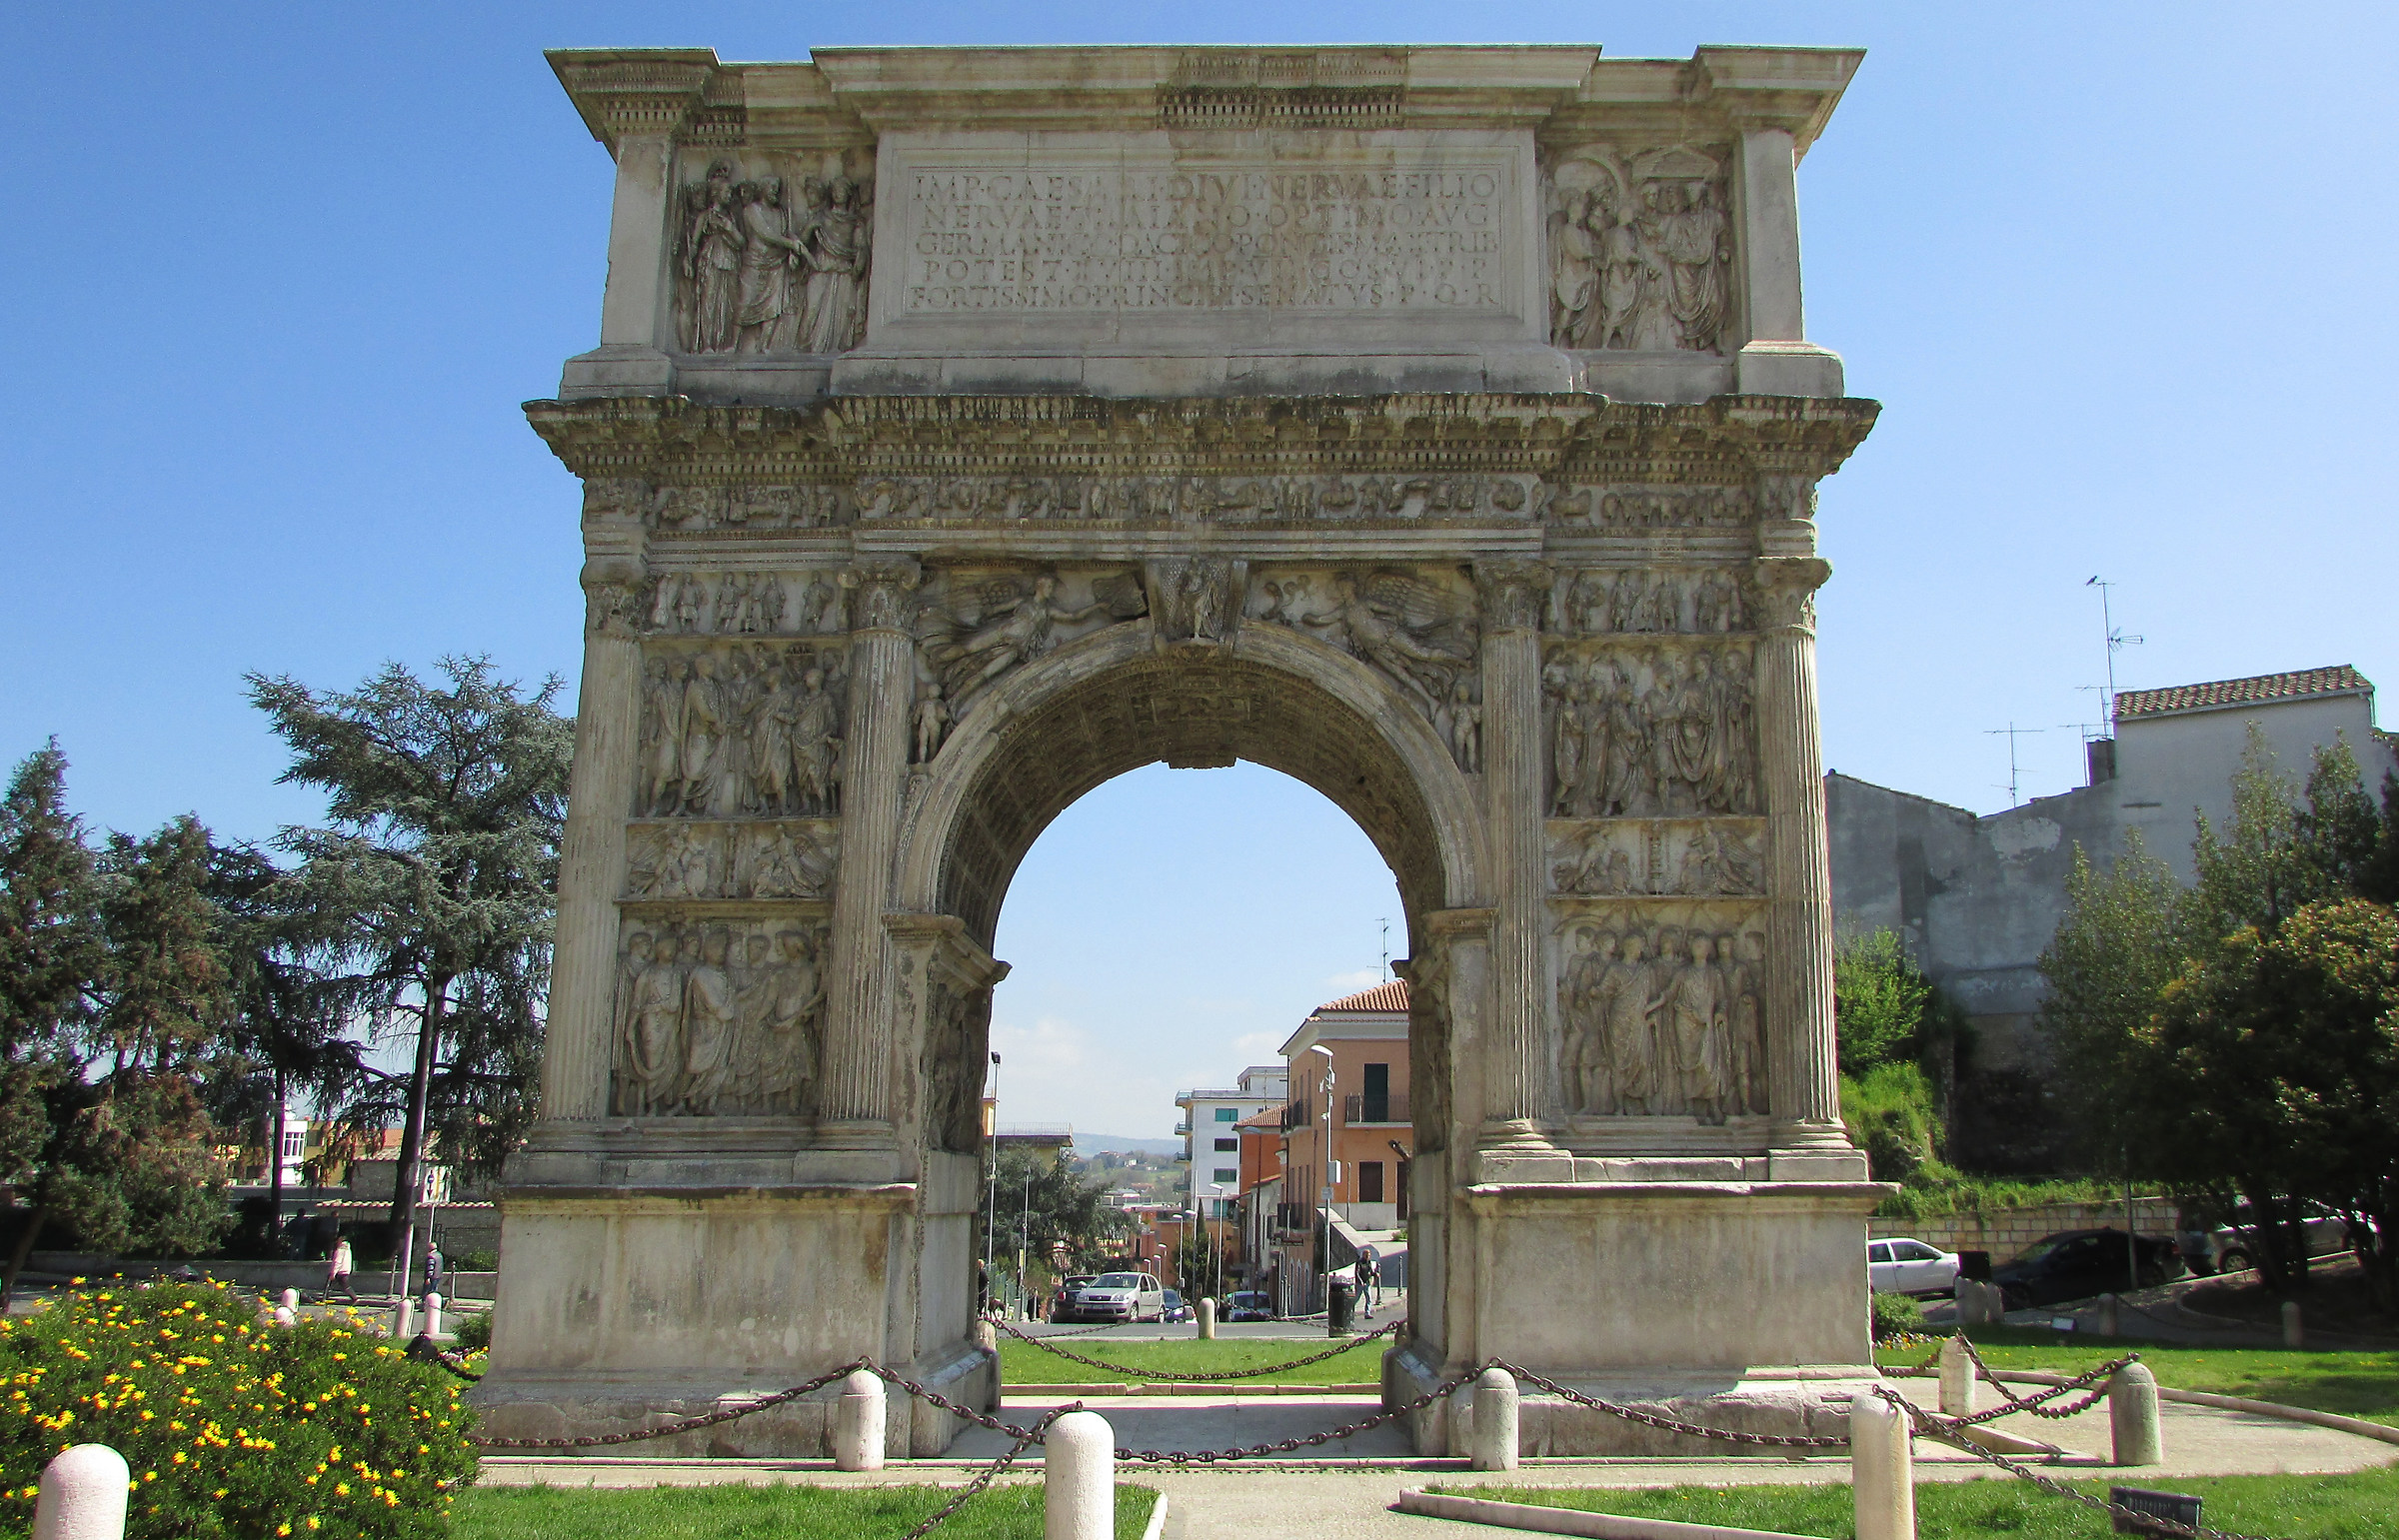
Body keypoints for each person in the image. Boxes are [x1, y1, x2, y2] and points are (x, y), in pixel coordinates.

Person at [327, 1233, 355, 1303]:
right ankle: (326, 1296)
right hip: (346, 1270)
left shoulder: (340, 1250)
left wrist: (333, 1273)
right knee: (344, 1285)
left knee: (331, 1283)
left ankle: (355, 1298)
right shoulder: (348, 1249)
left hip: (340, 1271)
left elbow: (337, 1262)